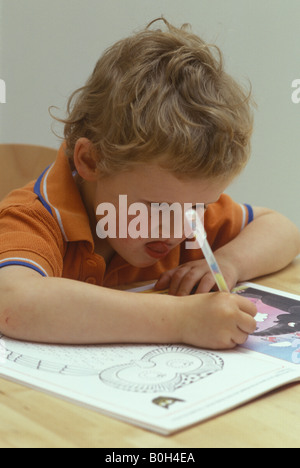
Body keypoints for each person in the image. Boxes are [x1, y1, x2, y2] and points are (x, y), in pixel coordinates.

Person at [0, 18, 299, 350]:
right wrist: (181, 319)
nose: (178, 232)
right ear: (91, 162)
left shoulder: (182, 216)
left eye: (197, 207)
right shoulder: (33, 218)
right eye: (157, 208)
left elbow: (282, 228)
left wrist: (230, 262)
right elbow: (13, 301)